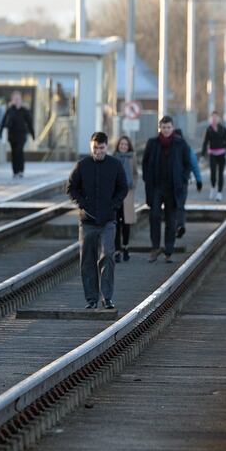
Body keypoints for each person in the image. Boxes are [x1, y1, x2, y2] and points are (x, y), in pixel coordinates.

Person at [66, 132, 128, 310]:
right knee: (87, 260)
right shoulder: (82, 165)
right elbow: (71, 188)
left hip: (108, 220)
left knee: (107, 255)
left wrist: (114, 205)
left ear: (106, 147)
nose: (98, 151)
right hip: (87, 221)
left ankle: (107, 297)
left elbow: (122, 188)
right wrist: (82, 203)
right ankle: (91, 299)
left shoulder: (114, 165)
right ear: (90, 147)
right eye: (95, 148)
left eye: (101, 148)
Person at [142, 116, 192, 263]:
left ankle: (168, 251)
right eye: (163, 127)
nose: (166, 130)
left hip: (173, 188)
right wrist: (147, 178)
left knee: (171, 219)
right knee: (155, 216)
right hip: (156, 186)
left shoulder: (180, 143)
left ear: (173, 128)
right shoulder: (152, 143)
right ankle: (155, 248)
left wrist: (183, 179)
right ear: (160, 128)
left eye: (168, 127)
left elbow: (187, 163)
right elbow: (145, 162)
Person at [173, 128, 203, 238]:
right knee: (180, 205)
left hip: (179, 181)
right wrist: (198, 180)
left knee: (174, 205)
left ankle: (176, 226)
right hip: (182, 181)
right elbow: (194, 164)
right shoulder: (187, 148)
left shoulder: (180, 148)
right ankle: (179, 225)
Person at [112, 135, 138, 263]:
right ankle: (117, 250)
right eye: (121, 144)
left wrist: (133, 185)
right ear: (118, 145)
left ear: (129, 146)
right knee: (115, 223)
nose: (123, 146)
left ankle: (126, 247)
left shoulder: (132, 157)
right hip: (116, 195)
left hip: (128, 194)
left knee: (126, 223)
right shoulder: (113, 158)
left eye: (125, 145)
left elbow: (135, 173)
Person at [0, 91, 35, 179]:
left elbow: (30, 123)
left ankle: (20, 170)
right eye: (15, 99)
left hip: (22, 135)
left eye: (18, 99)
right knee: (14, 153)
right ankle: (15, 171)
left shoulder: (24, 111)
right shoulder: (10, 110)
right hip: (12, 135)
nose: (16, 101)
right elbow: (4, 122)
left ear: (21, 100)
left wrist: (32, 134)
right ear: (12, 100)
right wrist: (0, 132)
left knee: (19, 151)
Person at [201, 111, 226, 201]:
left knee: (220, 174)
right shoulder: (208, 129)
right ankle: (213, 187)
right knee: (213, 173)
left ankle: (219, 193)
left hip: (222, 154)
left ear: (219, 119)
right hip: (212, 154)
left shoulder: (223, 129)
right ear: (210, 119)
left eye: (216, 117)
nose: (214, 119)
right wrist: (203, 155)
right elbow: (205, 142)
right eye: (213, 118)